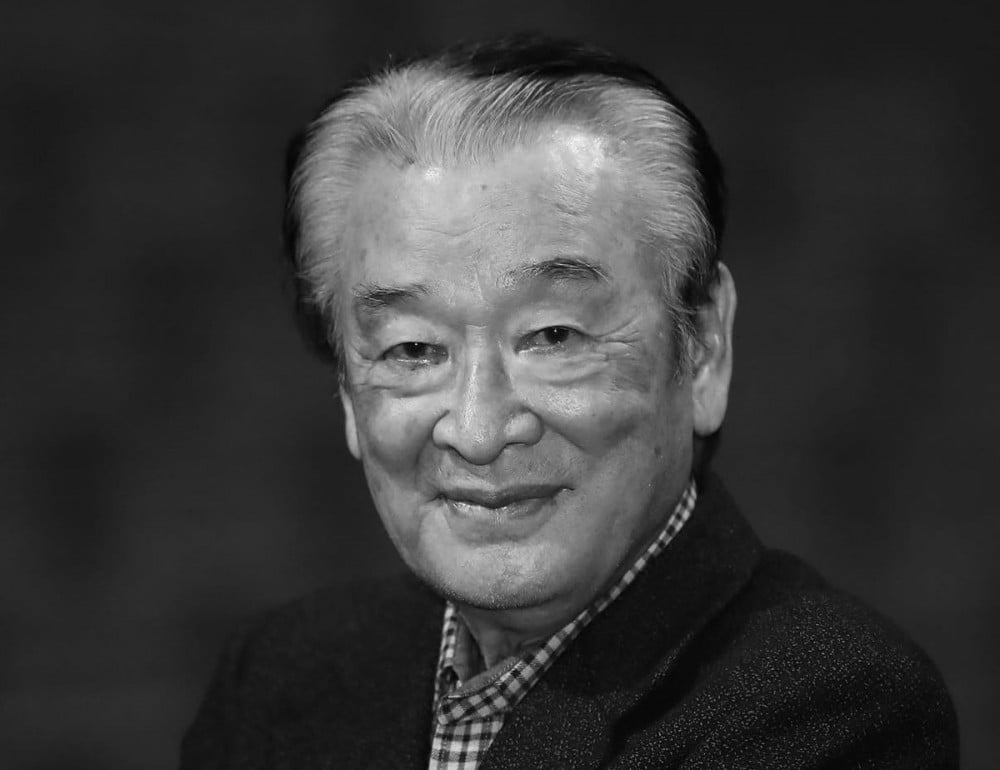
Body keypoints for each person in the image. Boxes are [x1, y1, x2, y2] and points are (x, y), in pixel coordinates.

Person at [180, 35, 958, 768]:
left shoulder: (827, 706)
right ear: (349, 393)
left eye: (553, 336)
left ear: (703, 347)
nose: (479, 430)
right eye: (413, 349)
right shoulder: (280, 683)